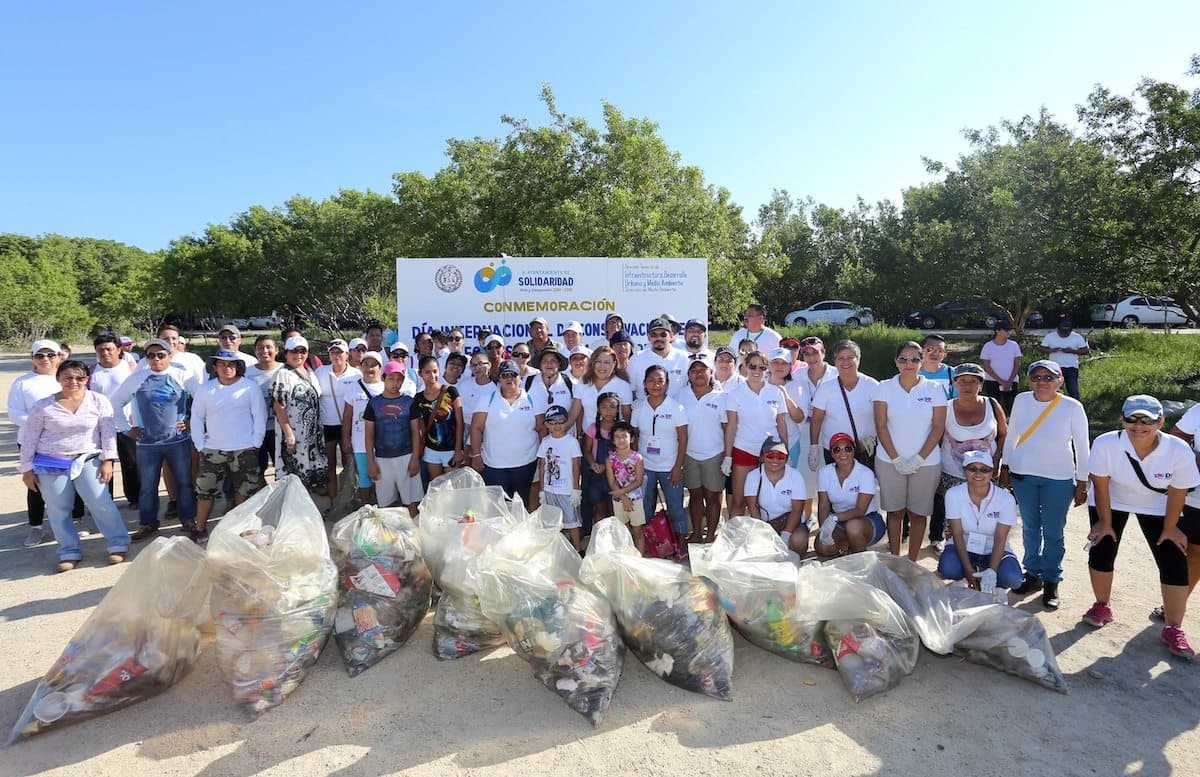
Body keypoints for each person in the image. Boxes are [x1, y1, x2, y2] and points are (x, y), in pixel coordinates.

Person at [1083, 395, 1200, 659]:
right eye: (1132, 418)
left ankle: (1173, 627)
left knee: (1173, 558)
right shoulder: (1105, 444)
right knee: (1102, 546)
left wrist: (1171, 528)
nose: (1139, 425)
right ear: (1122, 419)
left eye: (1147, 419)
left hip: (1158, 504)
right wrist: (1104, 523)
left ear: (1161, 421)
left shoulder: (1178, 449)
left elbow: (1178, 491)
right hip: (1113, 499)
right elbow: (1101, 486)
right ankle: (1102, 606)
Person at [18, 359, 131, 572]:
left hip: (88, 458)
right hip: (51, 462)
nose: (74, 382)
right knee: (58, 509)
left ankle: (118, 543)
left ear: (87, 379)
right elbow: (29, 439)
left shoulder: (98, 401)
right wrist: (26, 469)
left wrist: (108, 460)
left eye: (80, 378)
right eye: (68, 377)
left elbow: (107, 434)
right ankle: (69, 551)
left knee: (101, 503)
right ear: (58, 378)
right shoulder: (42, 406)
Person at [1003, 359, 1090, 610]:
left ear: (1060, 380)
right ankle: (1032, 573)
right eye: (1036, 377)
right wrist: (1005, 467)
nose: (1042, 382)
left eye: (1048, 377)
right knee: (1030, 527)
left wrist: (1082, 482)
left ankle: (1052, 579)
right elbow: (1013, 434)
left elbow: (1083, 446)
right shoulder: (1021, 400)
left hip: (1058, 478)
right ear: (1029, 380)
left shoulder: (1071, 406)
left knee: (1053, 531)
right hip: (1023, 474)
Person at [109, 338, 198, 541]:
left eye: (161, 355)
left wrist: (192, 422)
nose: (156, 359)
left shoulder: (182, 375)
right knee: (148, 486)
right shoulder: (137, 378)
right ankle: (148, 523)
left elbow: (202, 401)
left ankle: (188, 519)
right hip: (147, 444)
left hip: (178, 441)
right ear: (146, 358)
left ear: (169, 355)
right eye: (151, 355)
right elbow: (115, 402)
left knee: (184, 483)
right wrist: (125, 429)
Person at [874, 341, 948, 561]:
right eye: (903, 359)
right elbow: (880, 425)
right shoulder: (884, 387)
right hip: (889, 461)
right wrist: (896, 458)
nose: (909, 363)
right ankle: (896, 559)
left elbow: (938, 427)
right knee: (895, 512)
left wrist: (918, 458)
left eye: (915, 359)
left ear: (922, 360)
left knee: (918, 513)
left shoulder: (935, 389)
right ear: (896, 361)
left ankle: (912, 562)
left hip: (926, 463)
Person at [189, 350, 266, 542]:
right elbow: (197, 417)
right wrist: (200, 444)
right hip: (213, 449)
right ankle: (200, 529)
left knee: (244, 491)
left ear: (238, 367)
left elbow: (260, 416)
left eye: (231, 364)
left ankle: (240, 528)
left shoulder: (250, 387)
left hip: (244, 448)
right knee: (205, 491)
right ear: (215, 367)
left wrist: (256, 442)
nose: (227, 368)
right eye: (222, 364)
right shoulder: (206, 389)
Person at [934, 363, 1008, 554]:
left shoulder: (992, 405)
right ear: (955, 384)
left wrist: (998, 459)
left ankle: (986, 551)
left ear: (981, 385)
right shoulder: (945, 407)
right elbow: (935, 437)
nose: (967, 385)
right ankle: (952, 550)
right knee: (954, 512)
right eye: (962, 381)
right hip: (952, 472)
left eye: (973, 381)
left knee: (985, 512)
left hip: (986, 473)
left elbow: (1003, 434)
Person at [938, 450, 1023, 599]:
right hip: (963, 547)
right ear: (964, 471)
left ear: (992, 473)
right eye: (972, 469)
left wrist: (992, 571)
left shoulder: (1005, 499)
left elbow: (1000, 538)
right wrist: (968, 570)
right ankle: (965, 577)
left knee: (1013, 578)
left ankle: (995, 583)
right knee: (948, 568)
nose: (978, 473)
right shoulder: (953, 494)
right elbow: (957, 534)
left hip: (994, 550)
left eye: (984, 469)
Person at [8, 340, 66, 547]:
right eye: (40, 356)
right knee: (35, 484)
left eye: (51, 355)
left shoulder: (67, 378)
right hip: (30, 441)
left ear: (60, 356)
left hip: (63, 441)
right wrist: (41, 424)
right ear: (32, 358)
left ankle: (73, 521)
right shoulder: (23, 382)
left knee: (68, 480)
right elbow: (14, 413)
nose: (46, 360)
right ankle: (36, 528)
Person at [723, 350, 788, 518]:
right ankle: (734, 541)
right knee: (738, 502)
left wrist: (785, 452)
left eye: (762, 367)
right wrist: (728, 457)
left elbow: (782, 425)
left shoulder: (776, 392)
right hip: (743, 450)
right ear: (745, 366)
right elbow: (731, 427)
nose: (757, 371)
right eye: (752, 366)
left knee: (763, 502)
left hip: (770, 452)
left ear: (767, 369)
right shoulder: (735, 394)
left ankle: (760, 540)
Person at [631, 365, 689, 546]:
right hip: (645, 467)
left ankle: (680, 544)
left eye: (660, 381)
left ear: (667, 384)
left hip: (669, 466)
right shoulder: (639, 407)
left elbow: (683, 439)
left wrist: (678, 467)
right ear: (644, 384)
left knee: (676, 507)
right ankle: (649, 542)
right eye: (651, 381)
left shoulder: (676, 407)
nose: (656, 385)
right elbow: (634, 437)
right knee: (645, 507)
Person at [470, 359, 543, 503]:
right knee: (497, 508)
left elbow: (541, 429)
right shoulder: (487, 399)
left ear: (520, 378)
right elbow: (476, 428)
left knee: (521, 505)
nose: (509, 378)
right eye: (505, 375)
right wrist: (476, 454)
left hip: (526, 463)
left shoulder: (534, 399)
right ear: (499, 379)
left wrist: (543, 458)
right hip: (493, 465)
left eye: (513, 374)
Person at [809, 340, 879, 471]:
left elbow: (882, 418)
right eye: (840, 358)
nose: (845, 362)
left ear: (858, 360)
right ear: (835, 362)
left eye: (850, 357)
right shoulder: (825, 388)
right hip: (834, 450)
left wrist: (879, 441)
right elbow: (816, 419)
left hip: (866, 450)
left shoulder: (873, 386)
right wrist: (814, 446)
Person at [270, 335, 329, 492]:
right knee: (295, 478)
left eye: (302, 351)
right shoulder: (283, 374)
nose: (298, 355)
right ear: (286, 353)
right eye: (294, 351)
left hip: (312, 434)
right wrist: (289, 434)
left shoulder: (309, 370)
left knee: (311, 476)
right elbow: (278, 406)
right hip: (294, 434)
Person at [813, 432, 886, 557]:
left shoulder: (865, 473)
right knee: (822, 546)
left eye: (847, 448)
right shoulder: (824, 472)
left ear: (853, 451)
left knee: (853, 527)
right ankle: (848, 543)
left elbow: (860, 510)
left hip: (867, 520)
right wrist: (824, 529)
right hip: (840, 523)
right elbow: (824, 505)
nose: (843, 453)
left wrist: (834, 518)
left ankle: (860, 560)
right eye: (837, 449)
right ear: (831, 453)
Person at [364, 362, 424, 515]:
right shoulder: (373, 403)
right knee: (385, 504)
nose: (395, 383)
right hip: (382, 459)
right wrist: (371, 462)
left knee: (412, 501)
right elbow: (369, 436)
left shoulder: (409, 402)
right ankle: (390, 536)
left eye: (399, 379)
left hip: (406, 457)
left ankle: (413, 534)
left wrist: (415, 459)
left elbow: (416, 433)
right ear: (383, 378)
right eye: (391, 379)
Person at [89, 334, 139, 510]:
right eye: (100, 350)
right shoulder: (91, 371)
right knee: (103, 464)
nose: (105, 353)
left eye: (109, 349)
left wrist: (137, 421)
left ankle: (135, 498)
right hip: (100, 426)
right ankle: (105, 500)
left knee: (131, 463)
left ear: (119, 349)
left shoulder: (132, 368)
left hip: (127, 425)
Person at [681, 359, 726, 542]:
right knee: (695, 495)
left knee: (713, 496)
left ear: (711, 373)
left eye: (703, 369)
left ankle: (710, 535)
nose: (699, 373)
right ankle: (697, 532)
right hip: (689, 454)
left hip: (714, 454)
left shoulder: (721, 397)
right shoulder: (681, 395)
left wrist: (727, 456)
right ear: (688, 375)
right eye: (694, 370)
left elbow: (727, 428)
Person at [743, 438, 809, 556]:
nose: (775, 460)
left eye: (780, 456)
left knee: (798, 541)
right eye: (770, 455)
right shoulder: (752, 477)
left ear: (787, 458)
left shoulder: (796, 476)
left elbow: (797, 510)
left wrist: (786, 535)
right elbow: (753, 508)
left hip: (791, 523)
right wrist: (762, 533)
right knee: (755, 547)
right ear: (762, 457)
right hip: (765, 523)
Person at [793, 336, 837, 512]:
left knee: (829, 473)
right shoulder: (797, 375)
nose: (811, 358)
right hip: (804, 428)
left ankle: (829, 514)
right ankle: (808, 515)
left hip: (831, 426)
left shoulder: (836, 373)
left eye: (815, 353)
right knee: (806, 474)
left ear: (824, 353)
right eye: (807, 354)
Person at [315, 338, 360, 500]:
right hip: (328, 426)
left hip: (348, 427)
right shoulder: (320, 372)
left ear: (347, 354)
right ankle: (334, 503)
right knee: (330, 466)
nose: (336, 356)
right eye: (333, 352)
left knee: (350, 465)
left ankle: (350, 499)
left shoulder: (356, 374)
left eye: (339, 352)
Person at [340, 351, 385, 506]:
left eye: (373, 365)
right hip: (359, 442)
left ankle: (381, 506)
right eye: (366, 364)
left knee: (382, 476)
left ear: (380, 368)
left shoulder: (386, 387)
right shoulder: (353, 387)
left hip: (382, 442)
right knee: (364, 476)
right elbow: (347, 416)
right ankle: (367, 507)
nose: (369, 368)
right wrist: (345, 438)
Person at [537, 405, 583, 550]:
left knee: (572, 523)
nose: (557, 425)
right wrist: (542, 491)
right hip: (550, 490)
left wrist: (576, 489)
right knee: (553, 523)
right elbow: (542, 466)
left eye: (561, 421)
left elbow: (576, 467)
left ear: (567, 422)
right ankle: (555, 550)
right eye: (552, 422)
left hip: (567, 490)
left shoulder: (572, 442)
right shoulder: (545, 442)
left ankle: (577, 550)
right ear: (546, 424)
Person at [413, 356, 464, 481]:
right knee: (437, 488)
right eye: (427, 372)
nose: (432, 375)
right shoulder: (418, 398)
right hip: (431, 451)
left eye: (435, 371)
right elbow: (420, 426)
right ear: (420, 373)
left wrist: (458, 450)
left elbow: (459, 423)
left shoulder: (451, 392)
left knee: (453, 490)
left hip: (451, 450)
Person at [570, 345, 633, 433]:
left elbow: (627, 415)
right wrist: (563, 428)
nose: (602, 366)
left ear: (614, 364)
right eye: (598, 361)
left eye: (606, 362)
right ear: (593, 363)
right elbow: (574, 412)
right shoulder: (583, 382)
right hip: (588, 439)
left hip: (614, 440)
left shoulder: (623, 385)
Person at [245, 335, 282, 484]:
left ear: (277, 350)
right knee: (258, 468)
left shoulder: (285, 370)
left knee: (281, 467)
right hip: (255, 429)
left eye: (269, 347)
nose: (264, 351)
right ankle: (264, 499)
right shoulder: (246, 373)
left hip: (280, 429)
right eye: (260, 347)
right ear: (255, 351)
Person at [606, 420, 646, 553]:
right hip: (619, 500)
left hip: (635, 499)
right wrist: (623, 497)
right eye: (617, 437)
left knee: (638, 530)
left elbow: (638, 481)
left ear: (632, 438)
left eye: (624, 436)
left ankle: (639, 559)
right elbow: (612, 482)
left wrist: (623, 494)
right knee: (623, 530)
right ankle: (627, 557)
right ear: (612, 440)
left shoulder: (637, 458)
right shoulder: (610, 459)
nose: (621, 440)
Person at [627, 317, 689, 401]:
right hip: (644, 411)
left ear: (671, 336)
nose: (659, 338)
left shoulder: (684, 358)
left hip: (676, 411)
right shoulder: (636, 359)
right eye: (654, 335)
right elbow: (630, 390)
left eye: (663, 335)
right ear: (648, 337)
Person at [584, 392, 622, 527]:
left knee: (615, 510)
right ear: (598, 409)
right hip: (597, 476)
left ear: (618, 409)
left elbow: (626, 452)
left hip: (618, 477)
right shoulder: (593, 428)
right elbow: (587, 451)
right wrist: (593, 464)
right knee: (599, 509)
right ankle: (599, 539)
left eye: (612, 407)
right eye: (604, 407)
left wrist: (608, 466)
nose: (608, 411)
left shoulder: (622, 429)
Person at [766, 346, 807, 469]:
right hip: (762, 443)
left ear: (790, 366)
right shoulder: (760, 385)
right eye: (775, 362)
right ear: (768, 365)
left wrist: (786, 396)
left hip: (791, 443)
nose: (779, 366)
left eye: (784, 363)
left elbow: (799, 418)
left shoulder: (798, 387)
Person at [1039, 317, 1089, 401]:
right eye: (1063, 329)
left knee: (1073, 391)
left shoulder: (1077, 337)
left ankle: (1075, 409)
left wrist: (1072, 351)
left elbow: (1085, 350)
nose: (1065, 332)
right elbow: (1041, 348)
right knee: (1055, 391)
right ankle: (1054, 408)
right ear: (1058, 328)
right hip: (1054, 368)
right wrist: (1052, 350)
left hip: (1071, 368)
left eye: (1067, 330)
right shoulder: (1050, 337)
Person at [981, 321, 1021, 417]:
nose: (1009, 332)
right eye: (1006, 330)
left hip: (1011, 381)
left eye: (1010, 330)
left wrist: (1009, 381)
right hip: (992, 381)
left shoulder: (1014, 345)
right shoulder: (988, 346)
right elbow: (987, 366)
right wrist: (1001, 381)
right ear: (997, 331)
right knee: (994, 407)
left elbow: (1017, 363)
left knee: (1011, 407)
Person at [527, 348, 574, 415]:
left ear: (559, 364)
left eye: (553, 361)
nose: (549, 364)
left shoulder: (570, 383)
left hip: (564, 425)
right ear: (540, 364)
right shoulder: (528, 381)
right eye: (545, 361)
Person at [918, 334, 956, 399]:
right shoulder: (913, 373)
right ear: (920, 351)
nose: (935, 353)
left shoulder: (952, 373)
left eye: (940, 351)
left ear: (945, 354)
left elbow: (957, 400)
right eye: (930, 349)